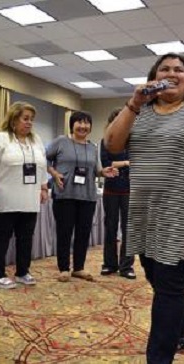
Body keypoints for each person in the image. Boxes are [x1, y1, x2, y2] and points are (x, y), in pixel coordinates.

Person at [104, 53, 184, 364]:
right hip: (146, 209)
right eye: (165, 68)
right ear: (153, 76)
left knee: (168, 288)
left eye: (179, 69)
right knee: (159, 278)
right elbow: (112, 144)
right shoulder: (140, 111)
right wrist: (134, 101)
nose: (172, 73)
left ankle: (159, 359)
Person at [0, 102, 49, 289]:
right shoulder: (1, 138)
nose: (29, 123)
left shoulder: (36, 140)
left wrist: (43, 187)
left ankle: (23, 272)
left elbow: (42, 165)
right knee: (2, 237)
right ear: (13, 119)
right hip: (5, 196)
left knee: (26, 237)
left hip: (29, 198)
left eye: (31, 120)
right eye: (25, 118)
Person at [46, 111, 118, 283]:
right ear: (72, 125)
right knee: (64, 232)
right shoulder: (61, 142)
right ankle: (64, 268)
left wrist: (104, 172)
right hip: (65, 195)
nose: (83, 126)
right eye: (79, 122)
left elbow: (97, 170)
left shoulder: (93, 147)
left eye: (86, 123)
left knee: (83, 233)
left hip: (87, 197)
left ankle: (79, 268)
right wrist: (54, 174)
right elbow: (44, 159)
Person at [99, 108, 136, 279]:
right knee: (110, 228)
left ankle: (126, 266)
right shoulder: (105, 142)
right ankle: (109, 264)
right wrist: (127, 162)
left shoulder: (134, 141)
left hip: (130, 190)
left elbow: (137, 162)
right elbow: (107, 163)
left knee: (129, 230)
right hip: (111, 190)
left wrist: (121, 163)